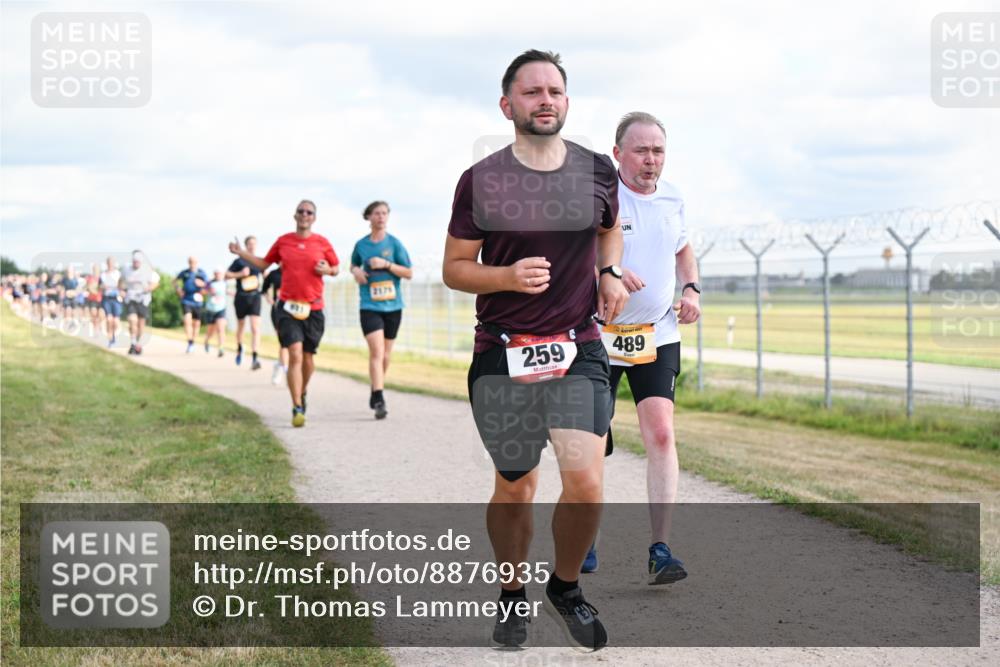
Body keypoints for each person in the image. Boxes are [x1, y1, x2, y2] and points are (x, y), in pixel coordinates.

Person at [442, 49, 628, 651]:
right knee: (516, 484)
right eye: (531, 92)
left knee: (586, 479)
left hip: (578, 348)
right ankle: (511, 594)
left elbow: (608, 229)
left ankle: (566, 587)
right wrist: (506, 276)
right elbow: (454, 268)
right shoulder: (483, 180)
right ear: (508, 106)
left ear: (567, 102)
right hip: (503, 352)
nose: (545, 99)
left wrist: (611, 273)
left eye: (555, 90)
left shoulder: (599, 171)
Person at [583, 112, 701, 585]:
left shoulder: (673, 197)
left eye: (658, 151)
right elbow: (574, 257)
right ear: (618, 154)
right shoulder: (601, 198)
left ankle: (661, 548)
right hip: (599, 335)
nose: (651, 160)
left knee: (662, 435)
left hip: (657, 333)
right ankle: (584, 537)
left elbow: (683, 248)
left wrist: (691, 289)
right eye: (641, 150)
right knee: (591, 442)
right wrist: (604, 273)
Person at [229, 200, 340, 427]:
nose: (304, 215)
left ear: (314, 218)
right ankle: (297, 405)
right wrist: (241, 253)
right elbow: (263, 263)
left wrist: (327, 270)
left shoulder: (322, 243)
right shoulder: (284, 242)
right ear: (295, 215)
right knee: (295, 354)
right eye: (301, 211)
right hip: (288, 307)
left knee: (308, 359)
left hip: (314, 308)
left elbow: (336, 268)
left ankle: (302, 390)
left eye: (309, 212)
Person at [350, 201, 413, 419]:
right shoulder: (361, 245)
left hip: (393, 307)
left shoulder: (394, 244)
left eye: (385, 213)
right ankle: (379, 398)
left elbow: (408, 272)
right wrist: (356, 271)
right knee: (376, 352)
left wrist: (386, 265)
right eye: (377, 213)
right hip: (369, 306)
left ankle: (376, 388)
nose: (381, 217)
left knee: (386, 355)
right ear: (368, 217)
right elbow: (353, 265)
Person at [227, 236, 264, 370]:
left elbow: (265, 274)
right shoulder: (239, 261)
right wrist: (240, 274)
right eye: (249, 244)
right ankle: (239, 347)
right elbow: (226, 275)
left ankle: (255, 357)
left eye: (254, 244)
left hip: (255, 297)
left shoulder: (259, 262)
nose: (252, 246)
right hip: (241, 297)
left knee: (255, 327)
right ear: (246, 245)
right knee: (241, 326)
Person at [122, 250, 160, 355]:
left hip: (143, 299)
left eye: (138, 262)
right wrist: (121, 290)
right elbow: (121, 281)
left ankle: (137, 343)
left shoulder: (148, 270)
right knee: (132, 320)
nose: (136, 263)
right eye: (134, 261)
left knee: (140, 324)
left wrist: (148, 289)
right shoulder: (126, 269)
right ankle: (133, 343)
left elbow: (156, 282)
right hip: (131, 298)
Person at [175, 257, 208, 353]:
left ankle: (193, 341)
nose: (192, 264)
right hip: (186, 300)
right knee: (187, 320)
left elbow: (208, 286)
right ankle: (189, 341)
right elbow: (175, 281)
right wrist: (179, 290)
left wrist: (202, 285)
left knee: (196, 324)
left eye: (193, 262)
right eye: (190, 262)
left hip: (197, 301)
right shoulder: (184, 273)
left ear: (197, 262)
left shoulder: (202, 273)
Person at [262, 266, 288, 385]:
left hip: (294, 310)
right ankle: (286, 371)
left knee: (292, 344)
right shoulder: (273, 274)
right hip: (278, 310)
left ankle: (279, 365)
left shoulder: (295, 270)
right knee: (283, 342)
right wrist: (269, 299)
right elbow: (264, 289)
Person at [202, 267, 227, 357]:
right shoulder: (210, 283)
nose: (218, 275)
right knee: (210, 331)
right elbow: (202, 291)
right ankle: (206, 341)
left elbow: (226, 292)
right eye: (217, 273)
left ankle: (221, 348)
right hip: (211, 309)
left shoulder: (225, 283)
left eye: (220, 273)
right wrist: (209, 290)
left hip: (221, 308)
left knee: (221, 329)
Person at [99, 258, 123, 347]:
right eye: (109, 263)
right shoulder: (103, 275)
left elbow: (122, 285)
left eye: (112, 263)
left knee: (116, 321)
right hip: (106, 299)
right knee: (109, 320)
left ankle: (113, 336)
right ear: (107, 264)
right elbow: (99, 287)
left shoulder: (118, 274)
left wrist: (121, 290)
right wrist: (103, 287)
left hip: (116, 299)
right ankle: (110, 339)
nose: (110, 264)